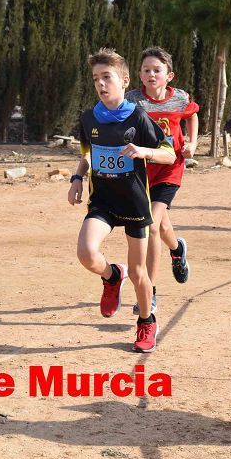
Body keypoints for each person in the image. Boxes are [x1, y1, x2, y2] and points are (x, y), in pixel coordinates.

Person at [67, 48, 175, 352]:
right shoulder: (89, 118)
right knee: (87, 253)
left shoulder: (138, 117)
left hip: (133, 203)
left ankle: (146, 321)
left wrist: (145, 152)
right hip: (102, 200)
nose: (100, 84)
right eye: (95, 79)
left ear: (124, 81)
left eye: (107, 77)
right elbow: (87, 152)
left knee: (140, 272)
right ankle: (112, 276)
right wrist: (77, 178)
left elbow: (169, 154)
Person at [125, 47, 200, 315]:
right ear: (140, 75)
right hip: (142, 172)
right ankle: (177, 249)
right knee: (164, 226)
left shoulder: (179, 99)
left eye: (157, 70)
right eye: (146, 70)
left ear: (169, 75)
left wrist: (192, 141)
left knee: (152, 227)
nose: (151, 74)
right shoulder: (132, 100)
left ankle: (150, 291)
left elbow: (192, 115)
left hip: (170, 169)